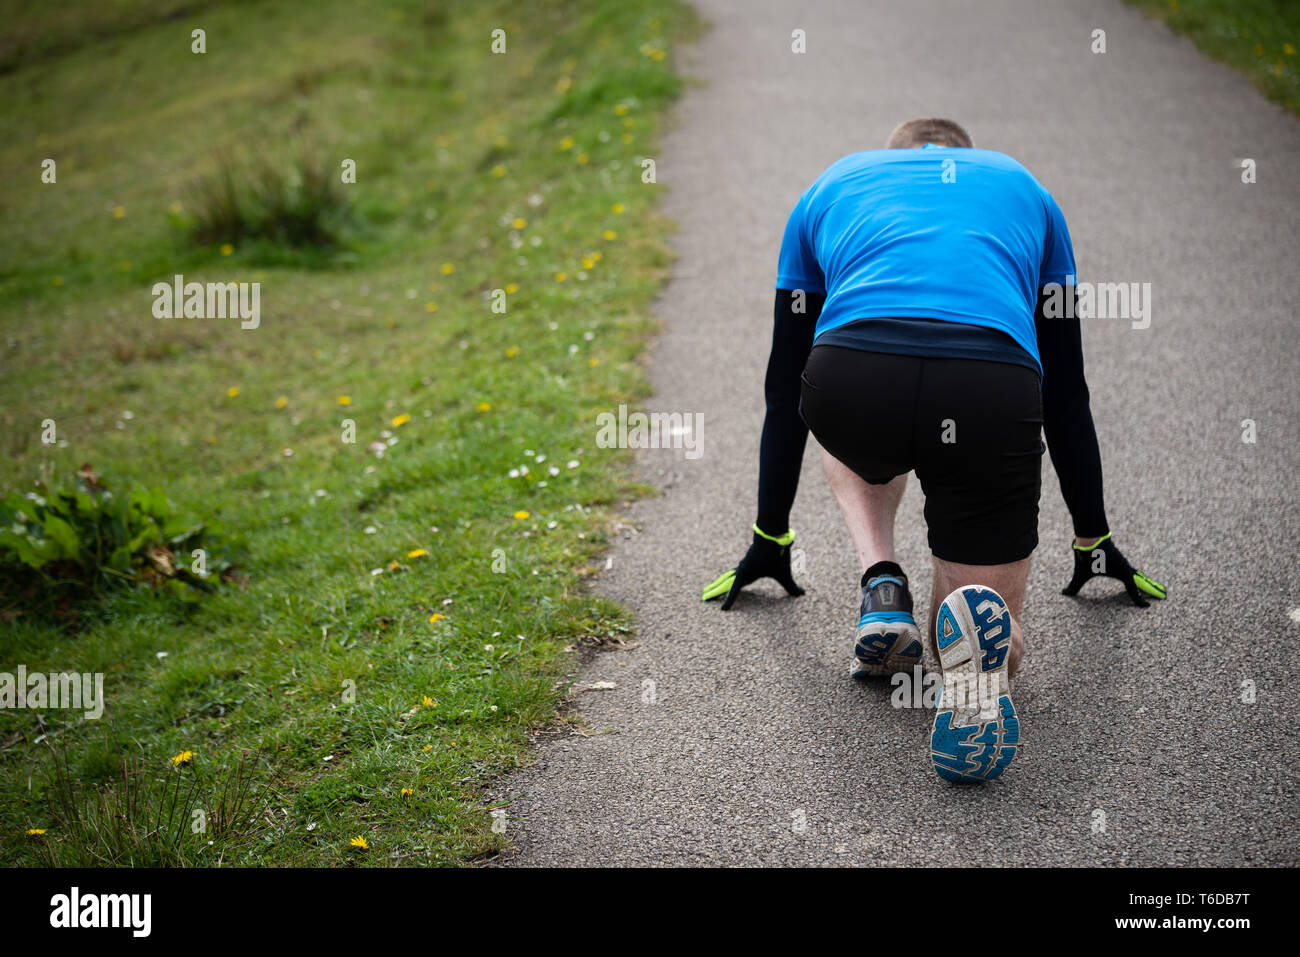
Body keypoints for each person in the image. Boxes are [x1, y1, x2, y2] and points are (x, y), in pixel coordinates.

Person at [701, 117, 1165, 782]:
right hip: (988, 383)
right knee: (981, 615)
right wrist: (1092, 533)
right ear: (963, 156)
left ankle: (881, 580)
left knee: (844, 421)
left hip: (854, 376)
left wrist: (770, 534)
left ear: (898, 155)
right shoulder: (1023, 187)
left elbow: (782, 389)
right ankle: (972, 674)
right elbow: (1067, 392)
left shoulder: (832, 183)